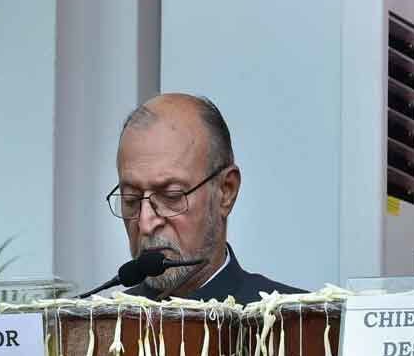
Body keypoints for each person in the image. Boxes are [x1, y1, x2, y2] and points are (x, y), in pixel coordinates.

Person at [109, 92, 300, 303]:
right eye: (131, 200)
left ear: (226, 191)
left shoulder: (298, 323)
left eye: (171, 196)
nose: (145, 223)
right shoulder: (99, 325)